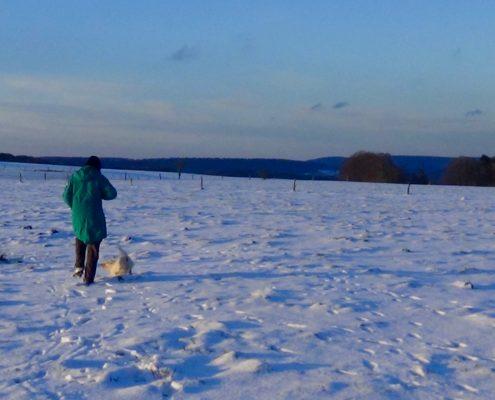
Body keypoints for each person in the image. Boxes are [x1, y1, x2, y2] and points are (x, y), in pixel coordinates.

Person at [63, 156, 117, 285]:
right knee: (93, 245)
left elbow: (66, 196)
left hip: (78, 215)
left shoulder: (75, 176)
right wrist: (100, 193)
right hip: (94, 215)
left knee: (80, 237)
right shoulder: (98, 177)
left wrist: (75, 206)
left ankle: (78, 267)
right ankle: (88, 279)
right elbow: (112, 193)